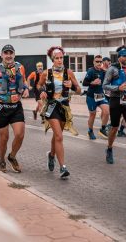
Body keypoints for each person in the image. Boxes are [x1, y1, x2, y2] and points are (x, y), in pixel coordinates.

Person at [37, 46, 81, 179]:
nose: (60, 60)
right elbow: (39, 85)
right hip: (51, 106)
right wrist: (42, 91)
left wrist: (72, 86)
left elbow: (79, 90)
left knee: (57, 136)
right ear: (52, 59)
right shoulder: (46, 73)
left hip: (64, 107)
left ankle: (51, 155)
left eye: (61, 57)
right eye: (57, 58)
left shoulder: (69, 72)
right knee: (59, 137)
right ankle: (63, 167)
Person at [0, 45, 29, 173]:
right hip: (1, 106)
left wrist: (26, 89)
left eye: (11, 53)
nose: (9, 55)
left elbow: (24, 82)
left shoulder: (20, 67)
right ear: (2, 55)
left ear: (14, 54)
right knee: (4, 138)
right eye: (6, 53)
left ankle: (12, 156)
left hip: (16, 106)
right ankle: (1, 160)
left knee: (20, 134)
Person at [82, 55, 109, 139]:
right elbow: (84, 83)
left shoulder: (103, 71)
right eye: (97, 61)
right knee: (92, 115)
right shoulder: (91, 71)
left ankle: (103, 129)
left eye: (100, 61)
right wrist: (92, 82)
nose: (99, 63)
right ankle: (90, 131)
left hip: (100, 95)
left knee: (107, 111)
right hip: (91, 97)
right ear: (94, 62)